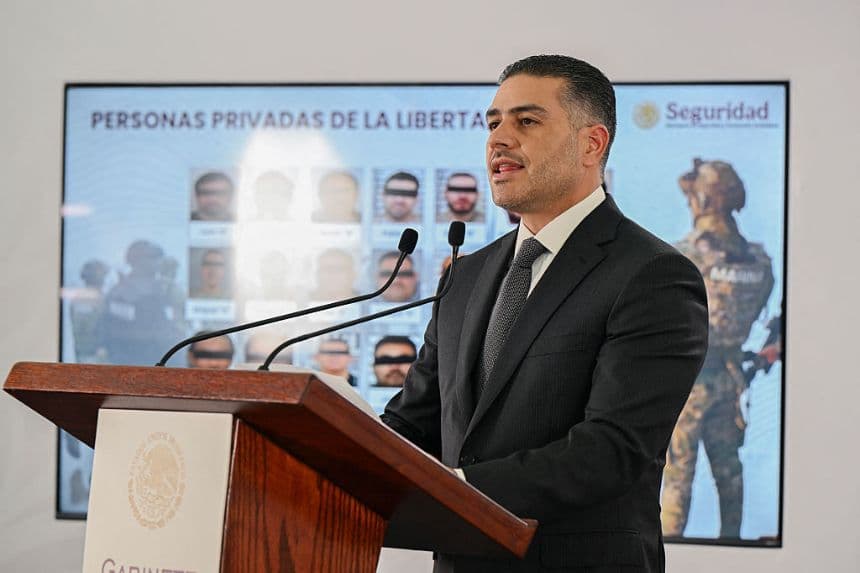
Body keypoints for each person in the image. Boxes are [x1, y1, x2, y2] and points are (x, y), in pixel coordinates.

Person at [381, 55, 709, 573]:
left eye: (526, 121)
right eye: (493, 123)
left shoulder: (653, 276)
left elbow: (611, 452)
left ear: (591, 143)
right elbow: (412, 423)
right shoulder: (464, 277)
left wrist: (455, 493)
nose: (498, 139)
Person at [661, 159, 774, 539]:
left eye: (694, 195)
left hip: (686, 385)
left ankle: (670, 551)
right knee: (729, 473)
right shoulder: (760, 262)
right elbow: (753, 309)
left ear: (706, 199)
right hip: (730, 380)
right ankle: (734, 552)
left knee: (677, 478)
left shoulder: (679, 258)